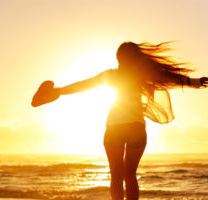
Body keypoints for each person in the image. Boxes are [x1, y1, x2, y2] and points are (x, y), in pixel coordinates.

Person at [32, 41, 208, 200]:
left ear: (118, 58)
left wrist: (58, 91)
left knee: (116, 175)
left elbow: (83, 85)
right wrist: (197, 82)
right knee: (130, 174)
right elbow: (171, 79)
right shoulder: (142, 76)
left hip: (114, 128)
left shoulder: (110, 75)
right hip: (136, 129)